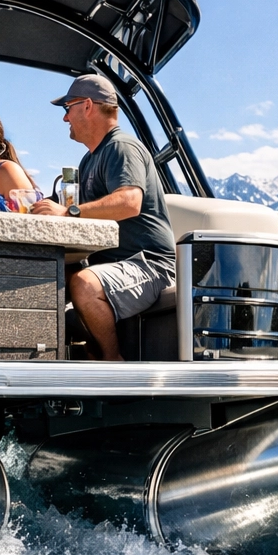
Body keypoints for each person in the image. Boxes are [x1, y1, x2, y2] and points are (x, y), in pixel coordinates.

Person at [31, 75, 177, 361]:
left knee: (84, 284)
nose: (65, 119)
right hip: (111, 263)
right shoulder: (90, 159)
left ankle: (112, 363)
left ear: (86, 106)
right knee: (43, 277)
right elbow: (88, 209)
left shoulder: (122, 147)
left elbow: (129, 202)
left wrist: (68, 212)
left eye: (67, 108)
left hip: (149, 264)